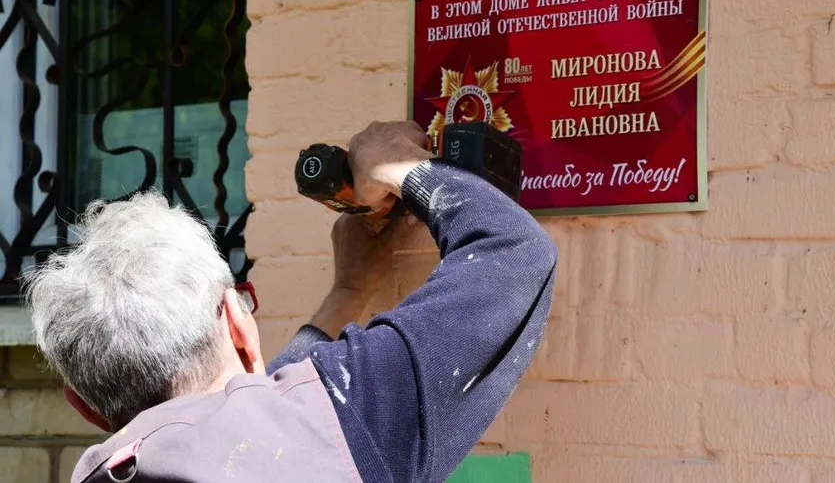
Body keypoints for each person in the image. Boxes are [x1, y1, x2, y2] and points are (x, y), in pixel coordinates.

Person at [26, 121, 558, 483]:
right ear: (238, 324)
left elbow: (244, 426)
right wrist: (399, 169)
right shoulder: (346, 428)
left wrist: (347, 294)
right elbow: (513, 254)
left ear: (84, 405)